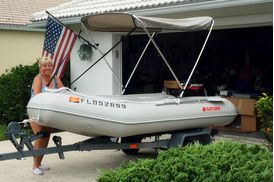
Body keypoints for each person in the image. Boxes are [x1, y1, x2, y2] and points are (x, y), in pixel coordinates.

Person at [30, 57, 64, 175]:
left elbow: (64, 92)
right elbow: (37, 96)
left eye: (49, 65)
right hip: (36, 112)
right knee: (40, 138)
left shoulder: (55, 78)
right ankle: (34, 166)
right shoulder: (37, 78)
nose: (47, 68)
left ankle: (39, 163)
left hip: (49, 113)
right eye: (44, 66)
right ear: (40, 67)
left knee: (46, 139)